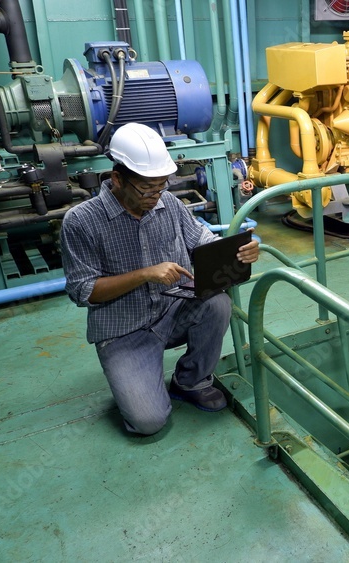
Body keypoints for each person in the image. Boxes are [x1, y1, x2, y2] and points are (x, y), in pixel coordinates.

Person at [61, 123, 259, 435]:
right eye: (146, 189)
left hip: (173, 310)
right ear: (117, 179)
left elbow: (204, 242)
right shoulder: (82, 221)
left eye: (161, 186)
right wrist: (144, 275)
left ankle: (190, 380)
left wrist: (239, 252)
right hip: (124, 328)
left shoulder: (170, 205)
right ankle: (138, 378)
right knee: (147, 422)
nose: (156, 196)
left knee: (217, 304)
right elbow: (83, 291)